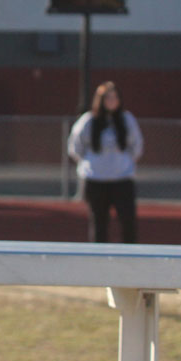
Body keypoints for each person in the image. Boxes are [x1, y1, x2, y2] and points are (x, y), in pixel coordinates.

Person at [67, 81, 144, 243]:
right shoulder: (88, 120)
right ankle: (99, 259)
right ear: (100, 100)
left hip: (122, 179)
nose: (111, 101)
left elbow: (137, 145)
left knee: (128, 221)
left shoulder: (126, 119)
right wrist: (89, 164)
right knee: (99, 223)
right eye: (107, 98)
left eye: (114, 97)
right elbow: (75, 146)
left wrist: (125, 163)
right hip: (96, 180)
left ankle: (131, 259)